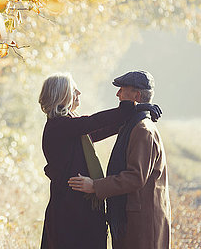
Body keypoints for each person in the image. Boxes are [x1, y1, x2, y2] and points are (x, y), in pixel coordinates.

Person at [39, 72, 147, 249]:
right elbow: (93, 122)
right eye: (74, 90)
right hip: (70, 212)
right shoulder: (59, 126)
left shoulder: (68, 126)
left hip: (77, 206)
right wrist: (126, 109)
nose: (79, 93)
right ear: (62, 95)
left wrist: (134, 115)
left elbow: (95, 132)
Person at [68, 70, 171, 249]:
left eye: (122, 90)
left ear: (136, 95)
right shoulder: (133, 125)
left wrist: (95, 186)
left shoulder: (142, 130)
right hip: (134, 218)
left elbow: (135, 177)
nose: (117, 94)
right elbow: (94, 129)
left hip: (142, 221)